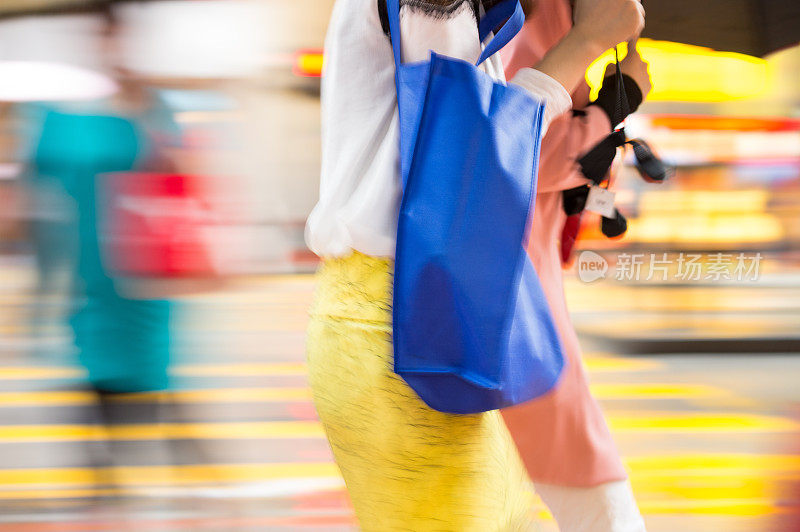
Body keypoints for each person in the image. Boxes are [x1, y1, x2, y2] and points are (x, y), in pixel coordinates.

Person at [305, 0, 644, 529]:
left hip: (418, 313)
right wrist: (586, 43)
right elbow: (473, 156)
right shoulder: (438, 7)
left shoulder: (473, 15)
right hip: (399, 322)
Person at [499, 1, 651, 530]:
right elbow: (520, 148)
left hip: (518, 277)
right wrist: (615, 104)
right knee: (595, 494)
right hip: (508, 285)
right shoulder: (530, 15)